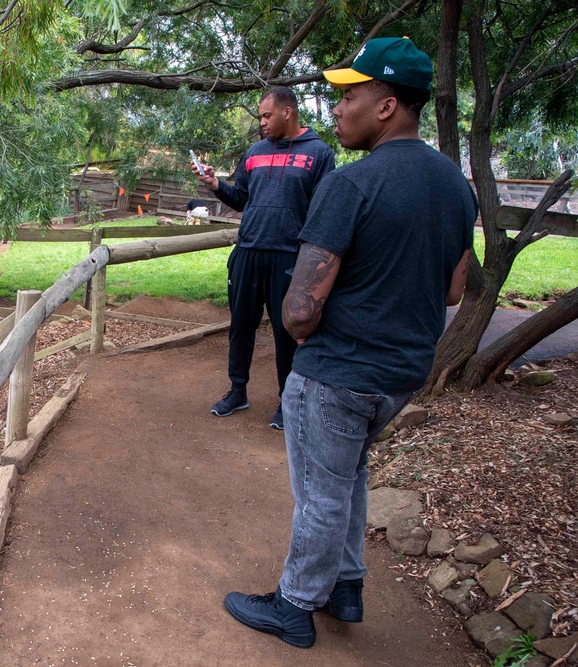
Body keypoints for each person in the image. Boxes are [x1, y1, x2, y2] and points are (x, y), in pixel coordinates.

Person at [222, 38, 477, 648]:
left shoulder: (352, 185)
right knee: (351, 476)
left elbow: (301, 314)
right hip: (402, 374)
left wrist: (303, 317)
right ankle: (347, 584)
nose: (337, 108)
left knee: (320, 491)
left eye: (350, 95)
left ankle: (294, 605)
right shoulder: (456, 187)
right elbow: (451, 292)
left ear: (387, 105)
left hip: (337, 372)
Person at [193, 87, 335, 429]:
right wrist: (215, 184)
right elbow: (241, 197)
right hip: (248, 251)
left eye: (267, 115)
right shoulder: (255, 152)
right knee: (241, 325)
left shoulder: (319, 153)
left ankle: (288, 401)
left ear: (288, 112)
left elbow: (324, 209)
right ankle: (237, 390)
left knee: (287, 331)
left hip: (290, 257)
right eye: (261, 116)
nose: (263, 122)